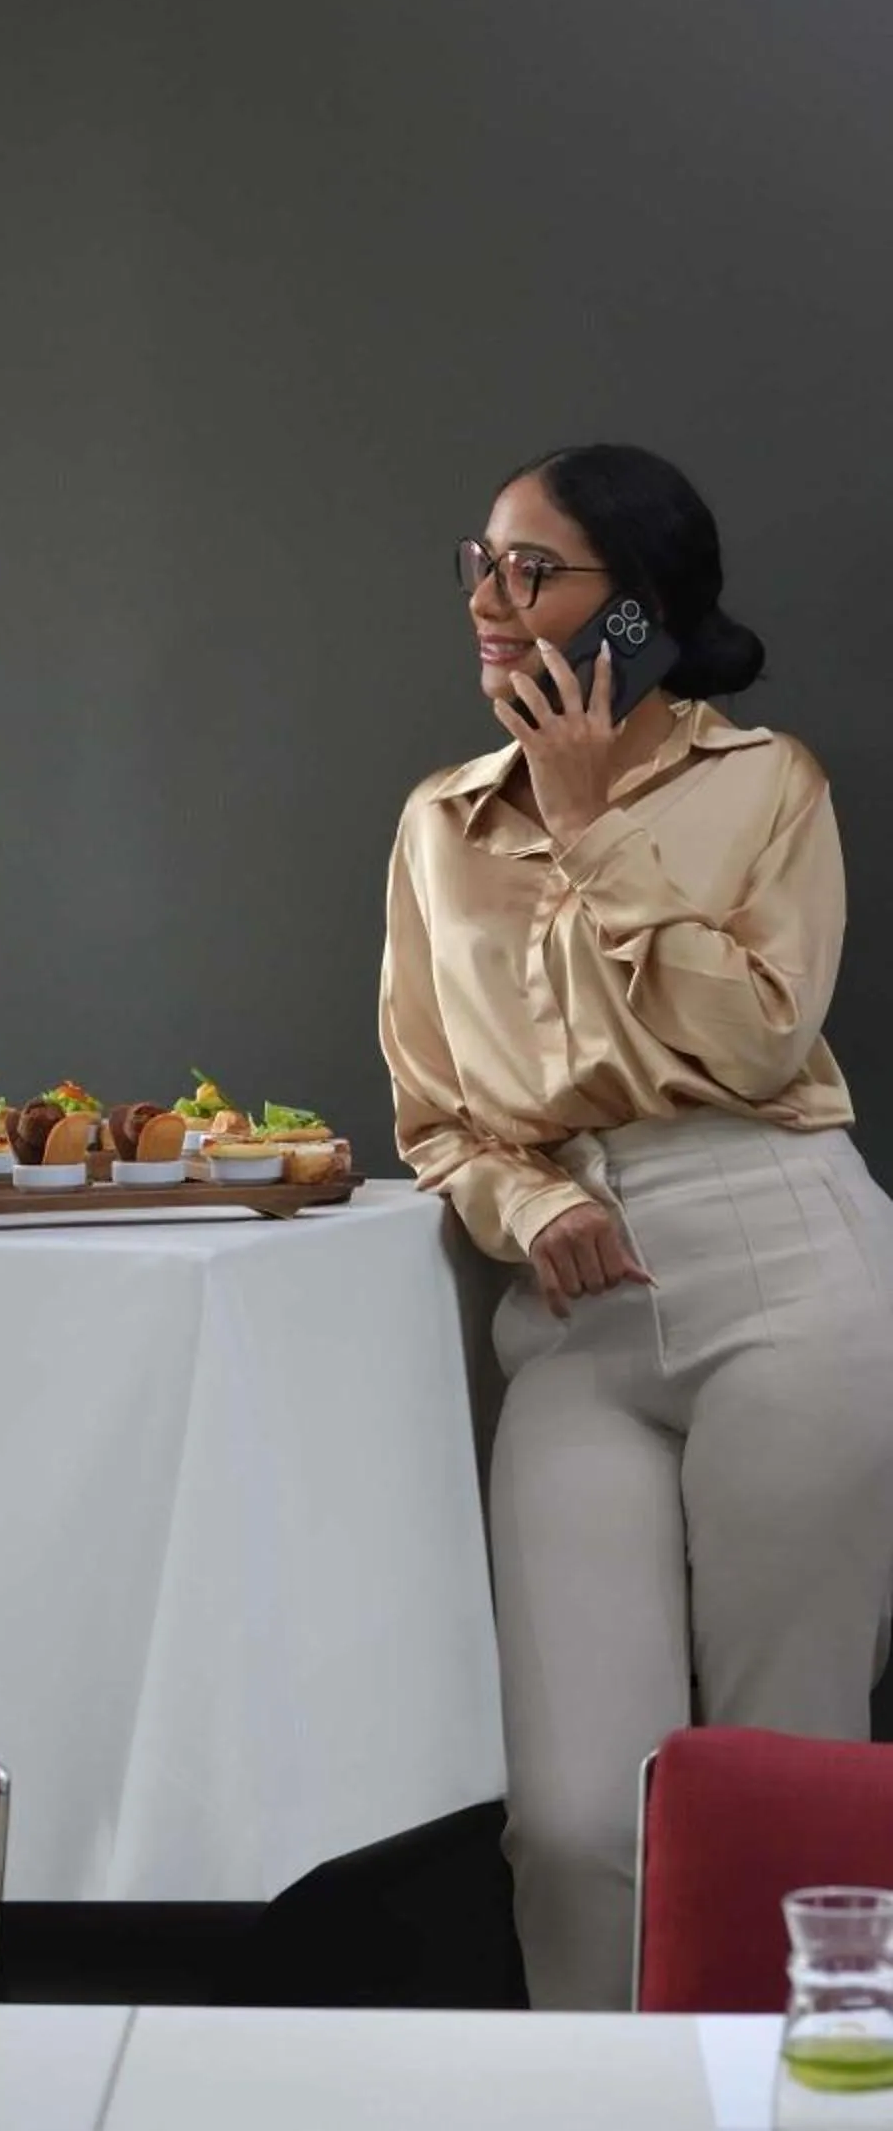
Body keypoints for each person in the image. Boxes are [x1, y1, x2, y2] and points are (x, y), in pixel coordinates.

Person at [379, 441, 893, 2009]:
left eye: (531, 570)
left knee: (787, 1795)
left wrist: (597, 825)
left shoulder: (767, 786)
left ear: (638, 612)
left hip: (781, 1260)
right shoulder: (441, 826)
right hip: (573, 1302)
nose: (488, 599)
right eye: (478, 561)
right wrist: (529, 1199)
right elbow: (430, 1110)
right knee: (577, 1819)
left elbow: (755, 1034)